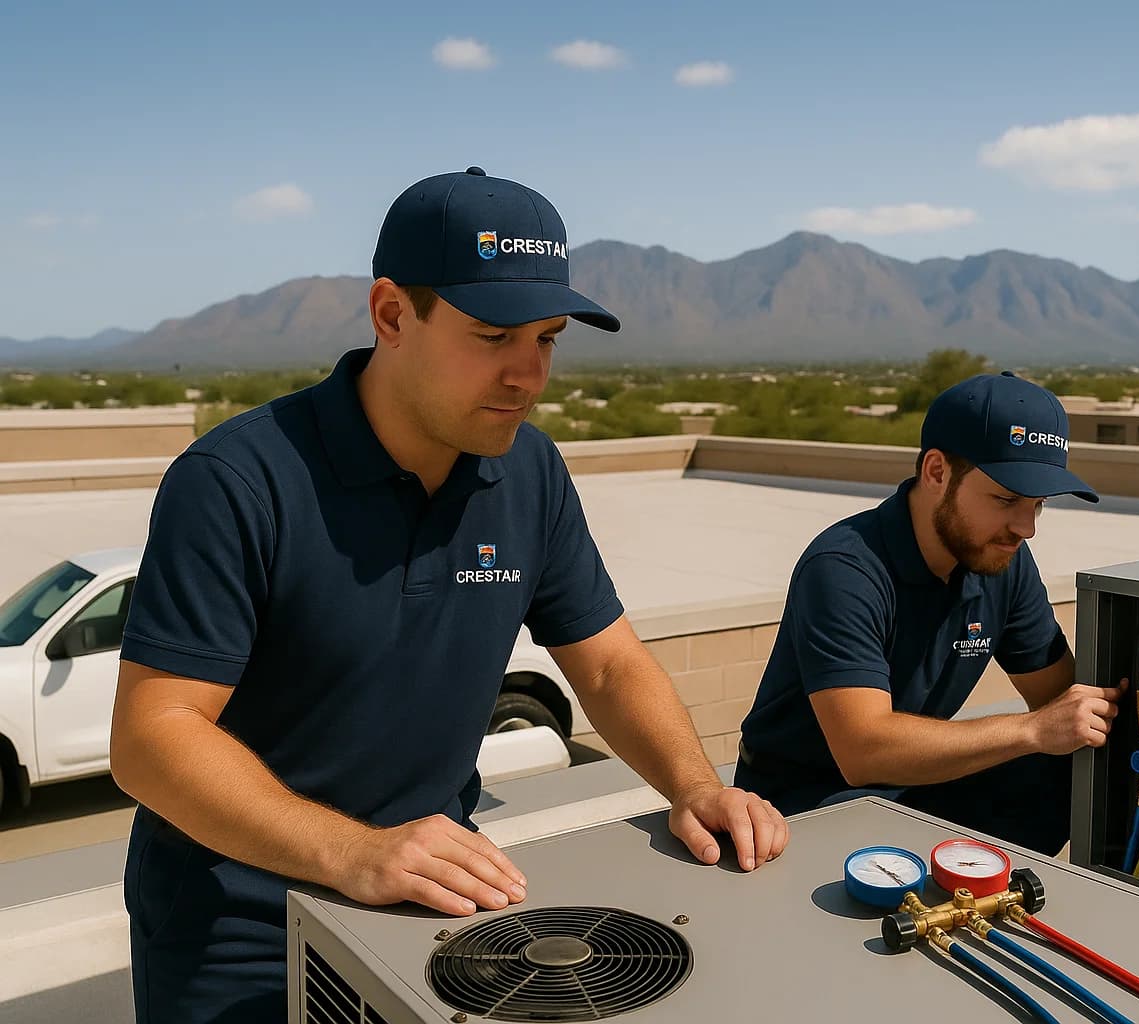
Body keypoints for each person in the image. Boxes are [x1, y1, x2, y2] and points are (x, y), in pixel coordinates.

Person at [110, 166, 788, 1023]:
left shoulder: (529, 470)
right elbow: (151, 736)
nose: (528, 375)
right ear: (393, 314)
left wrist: (693, 786)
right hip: (237, 922)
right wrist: (352, 853)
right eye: (493, 334)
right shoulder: (239, 480)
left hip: (431, 899)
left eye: (546, 339)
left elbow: (610, 664)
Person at [733, 371, 1124, 855]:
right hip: (809, 802)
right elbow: (863, 750)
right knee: (1038, 744)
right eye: (1006, 499)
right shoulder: (845, 567)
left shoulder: (1003, 559)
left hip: (918, 787)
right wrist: (1031, 730)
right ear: (937, 472)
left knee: (1068, 765)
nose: (1026, 527)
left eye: (1039, 505)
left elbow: (1060, 700)